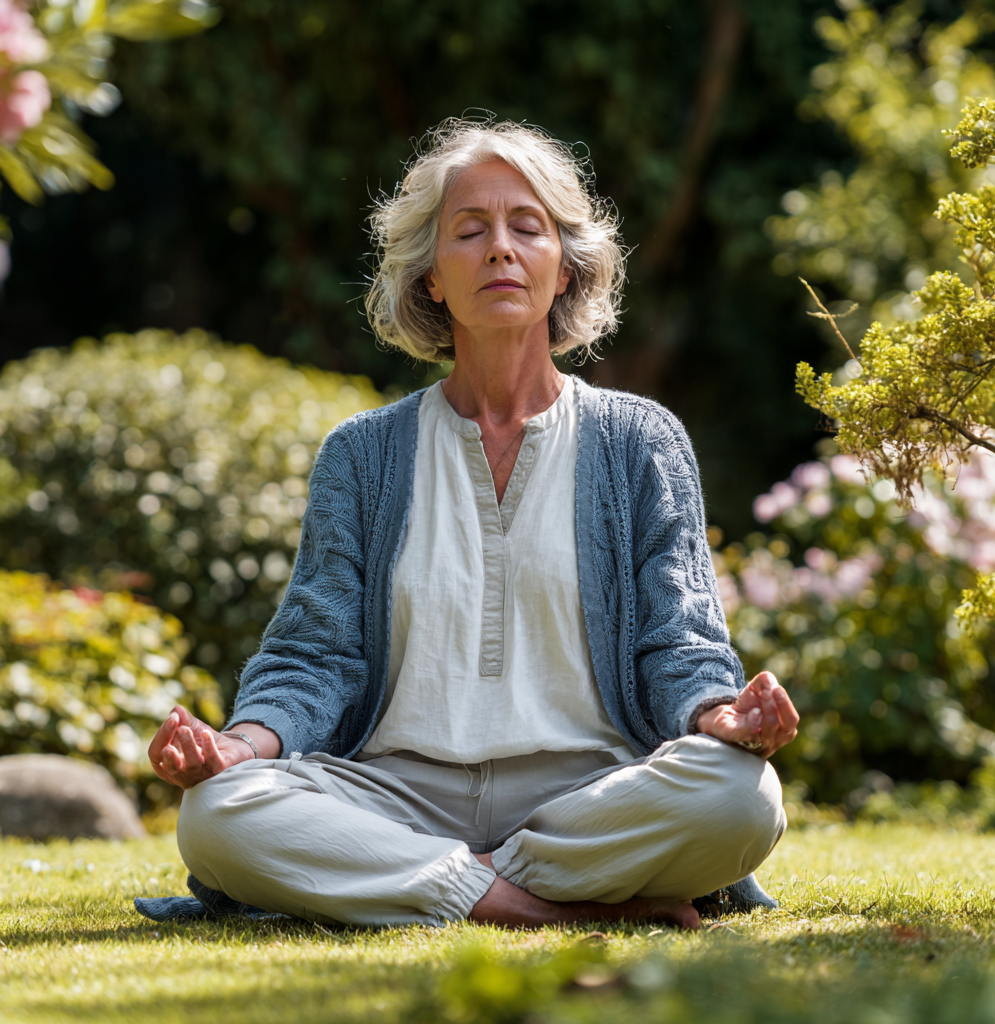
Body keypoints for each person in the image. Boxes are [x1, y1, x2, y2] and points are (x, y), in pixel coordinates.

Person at [149, 119, 799, 931]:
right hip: (393, 793)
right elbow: (312, 656)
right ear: (429, 278)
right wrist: (236, 748)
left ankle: (439, 885)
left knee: (741, 798)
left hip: (587, 793)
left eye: (527, 227)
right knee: (216, 814)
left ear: (565, 269)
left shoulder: (640, 443)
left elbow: (678, 641)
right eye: (470, 231)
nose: (501, 249)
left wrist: (718, 714)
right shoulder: (361, 455)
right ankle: (546, 904)